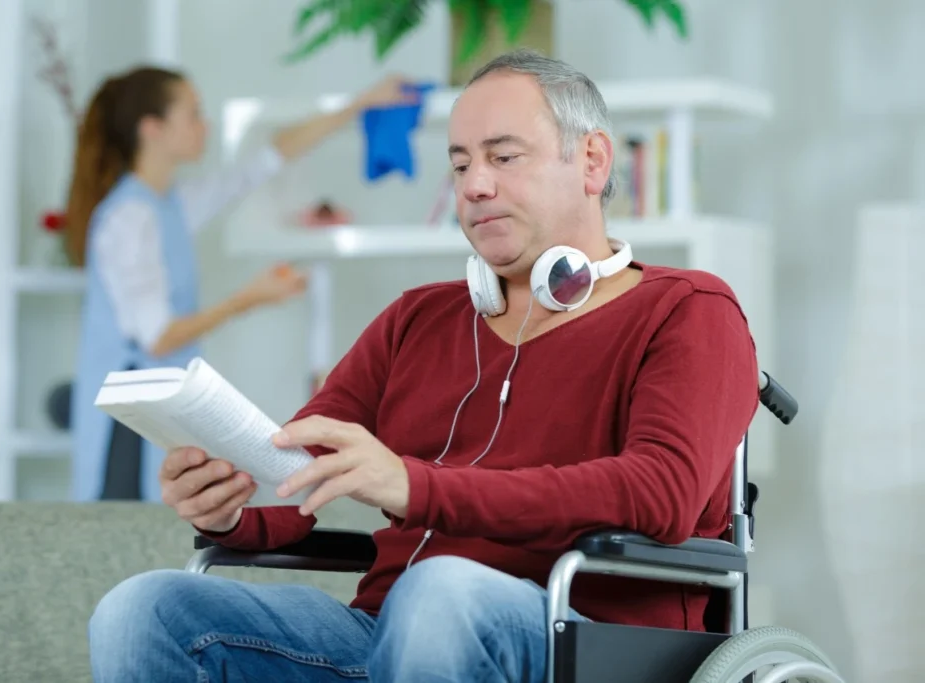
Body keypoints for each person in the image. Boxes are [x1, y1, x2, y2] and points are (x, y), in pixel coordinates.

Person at [87, 50, 761, 682]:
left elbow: (661, 493)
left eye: (503, 156)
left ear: (591, 161)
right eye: (461, 164)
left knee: (441, 590)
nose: (476, 185)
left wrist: (418, 486)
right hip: (385, 637)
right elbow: (299, 470)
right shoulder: (418, 319)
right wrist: (231, 504)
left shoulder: (687, 309)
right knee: (141, 608)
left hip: (580, 638)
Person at [67, 65, 418, 503]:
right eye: (193, 115)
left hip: (163, 406)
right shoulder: (127, 220)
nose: (205, 126)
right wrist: (249, 298)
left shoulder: (170, 205)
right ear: (153, 129)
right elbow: (158, 338)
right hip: (130, 420)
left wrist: (359, 104)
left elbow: (264, 162)